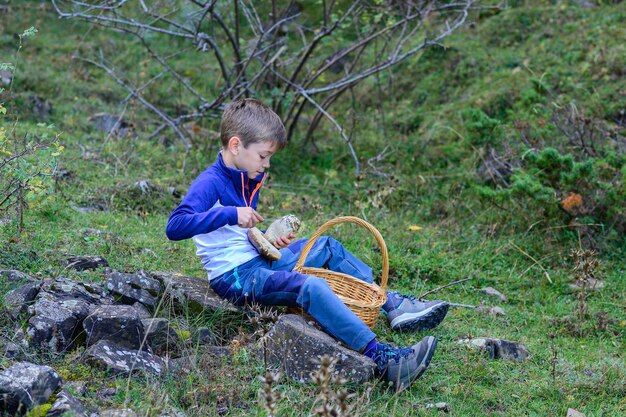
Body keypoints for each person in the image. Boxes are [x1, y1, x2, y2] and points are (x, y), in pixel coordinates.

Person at [166, 98, 449, 391]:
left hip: (257, 258)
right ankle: (385, 360)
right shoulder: (209, 182)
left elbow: (232, 234)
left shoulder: (248, 173)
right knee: (309, 286)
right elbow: (175, 226)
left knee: (325, 245)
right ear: (236, 145)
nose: (267, 164)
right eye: (263, 156)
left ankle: (391, 304)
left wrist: (267, 238)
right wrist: (232, 213)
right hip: (237, 277)